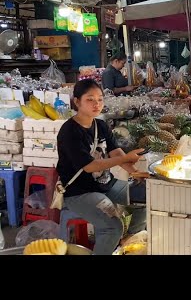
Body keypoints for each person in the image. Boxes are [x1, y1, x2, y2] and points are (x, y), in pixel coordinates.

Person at [56, 79, 147, 255]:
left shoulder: (101, 125)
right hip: (80, 193)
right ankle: (112, 239)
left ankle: (126, 245)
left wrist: (135, 173)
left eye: (100, 99)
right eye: (90, 99)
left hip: (107, 185)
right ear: (77, 102)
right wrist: (128, 157)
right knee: (112, 226)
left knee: (143, 199)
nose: (96, 104)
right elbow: (90, 166)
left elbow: (115, 153)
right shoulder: (69, 132)